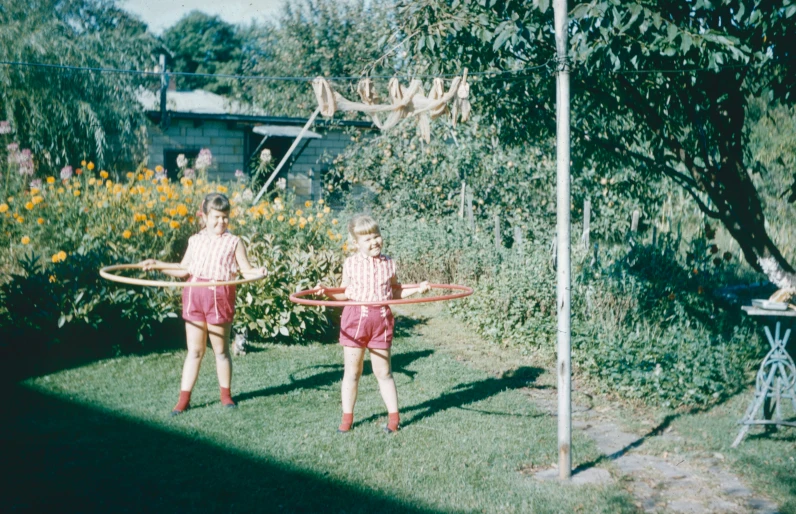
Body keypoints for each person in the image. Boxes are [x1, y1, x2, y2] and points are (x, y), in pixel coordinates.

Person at [140, 193, 266, 415]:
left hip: (219, 297)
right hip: (194, 296)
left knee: (221, 350)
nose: (221, 222)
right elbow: (183, 269)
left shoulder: (233, 242)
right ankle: (183, 400)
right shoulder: (195, 240)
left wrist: (257, 272)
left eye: (225, 217)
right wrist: (157, 264)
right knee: (195, 351)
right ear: (205, 216)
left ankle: (226, 396)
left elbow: (245, 269)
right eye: (216, 217)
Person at [319, 214, 429, 433]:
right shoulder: (350, 264)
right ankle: (347, 418)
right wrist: (328, 292)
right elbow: (344, 293)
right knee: (352, 372)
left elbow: (395, 292)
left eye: (376, 236)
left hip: (381, 321)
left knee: (384, 372)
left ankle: (394, 419)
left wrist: (417, 288)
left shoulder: (389, 263)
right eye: (367, 239)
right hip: (355, 320)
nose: (374, 242)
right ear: (356, 243)